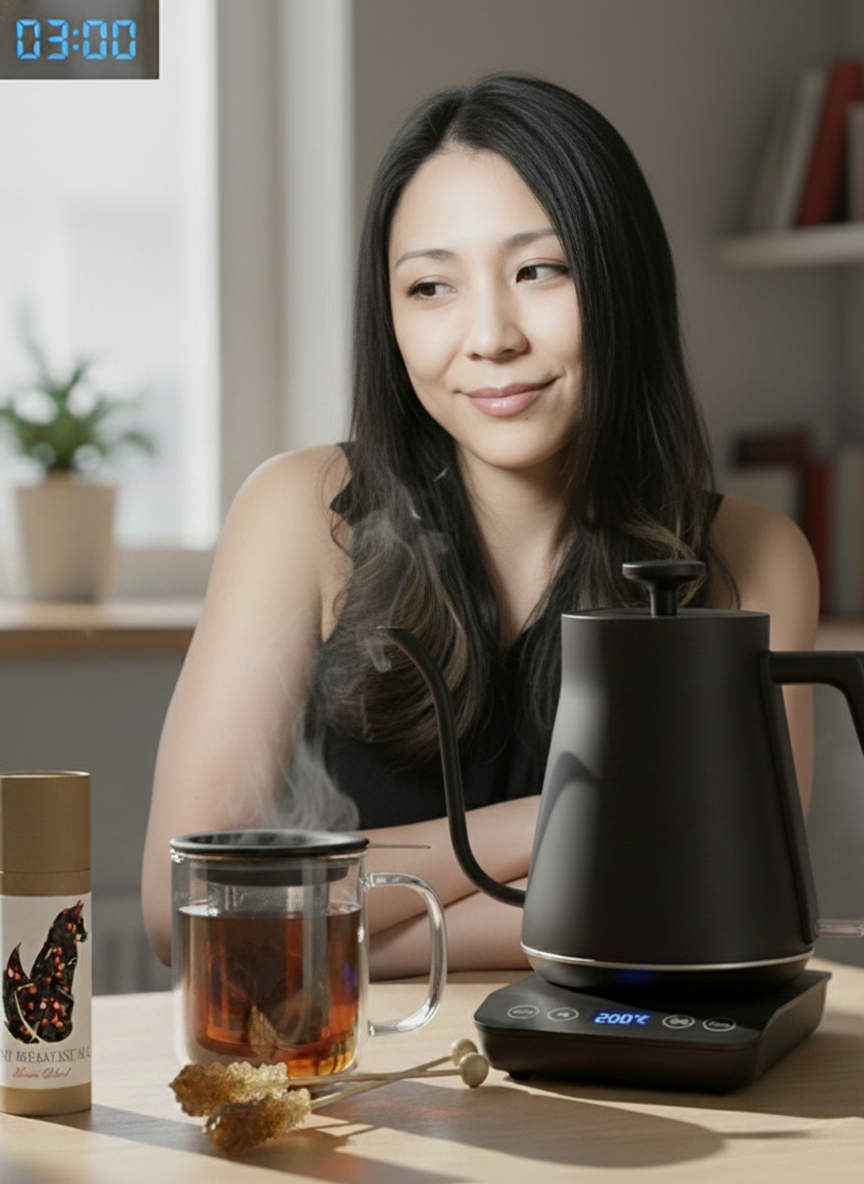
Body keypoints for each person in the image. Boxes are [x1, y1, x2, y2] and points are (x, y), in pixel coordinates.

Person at [142, 75, 818, 977]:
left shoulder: (753, 556)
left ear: (623, 281)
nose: (489, 336)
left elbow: (733, 908)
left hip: (626, 1094)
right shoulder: (298, 512)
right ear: (389, 317)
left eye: (539, 270)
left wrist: (318, 934)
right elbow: (190, 909)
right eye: (430, 287)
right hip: (361, 1093)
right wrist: (556, 822)